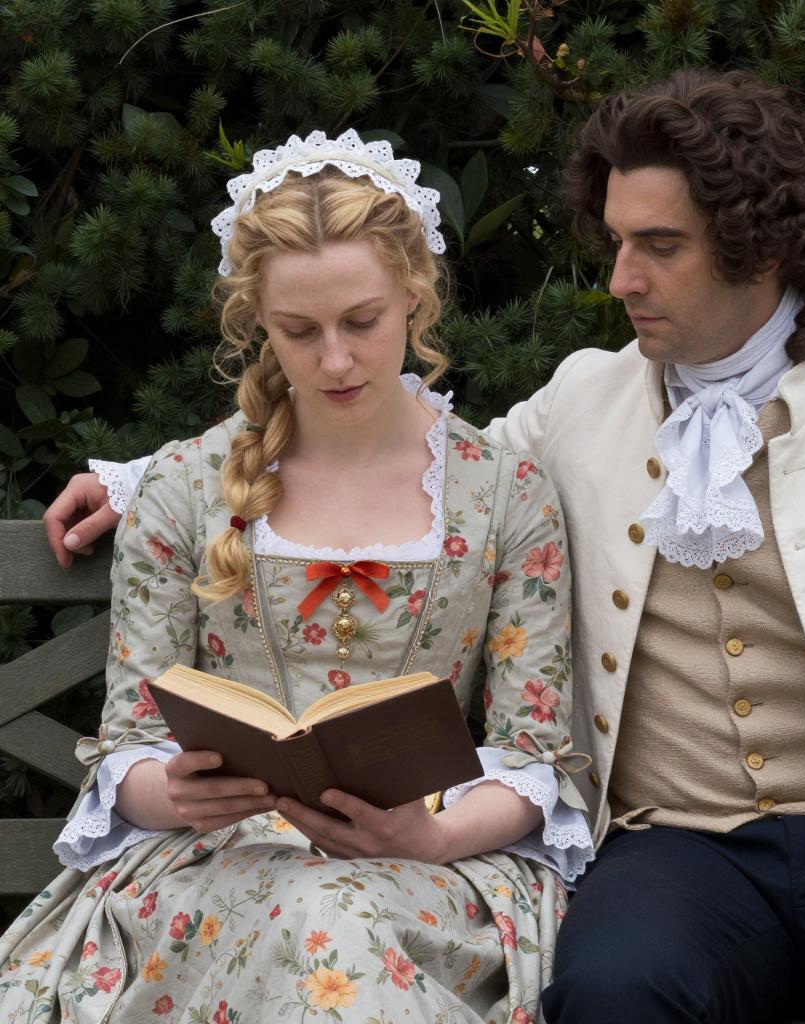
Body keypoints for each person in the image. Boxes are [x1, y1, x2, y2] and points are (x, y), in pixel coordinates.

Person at [41, 71, 805, 1022]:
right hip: (681, 850)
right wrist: (145, 481)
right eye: (616, 241)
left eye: (658, 246)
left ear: (759, 245)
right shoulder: (587, 400)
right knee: (612, 993)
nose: (620, 277)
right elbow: (393, 454)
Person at [2, 129, 594, 1024]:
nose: (335, 360)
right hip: (212, 869)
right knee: (313, 915)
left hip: (434, 867)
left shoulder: (505, 493)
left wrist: (432, 834)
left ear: (414, 295)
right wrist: (175, 791)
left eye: (362, 321)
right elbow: (129, 742)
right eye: (298, 331)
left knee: (333, 922)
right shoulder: (187, 489)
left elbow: (530, 753)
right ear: (257, 321)